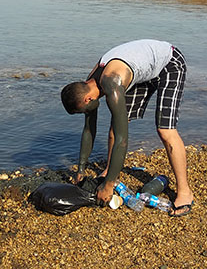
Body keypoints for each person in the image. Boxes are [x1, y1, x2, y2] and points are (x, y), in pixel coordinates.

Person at [61, 39, 194, 217]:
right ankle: (110, 171)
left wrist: (108, 187)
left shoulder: (112, 84)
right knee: (115, 127)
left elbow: (123, 140)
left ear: (87, 100)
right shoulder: (87, 86)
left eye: (82, 111)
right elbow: (88, 129)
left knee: (165, 131)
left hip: (168, 63)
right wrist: (81, 169)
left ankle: (185, 192)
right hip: (141, 70)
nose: (86, 113)